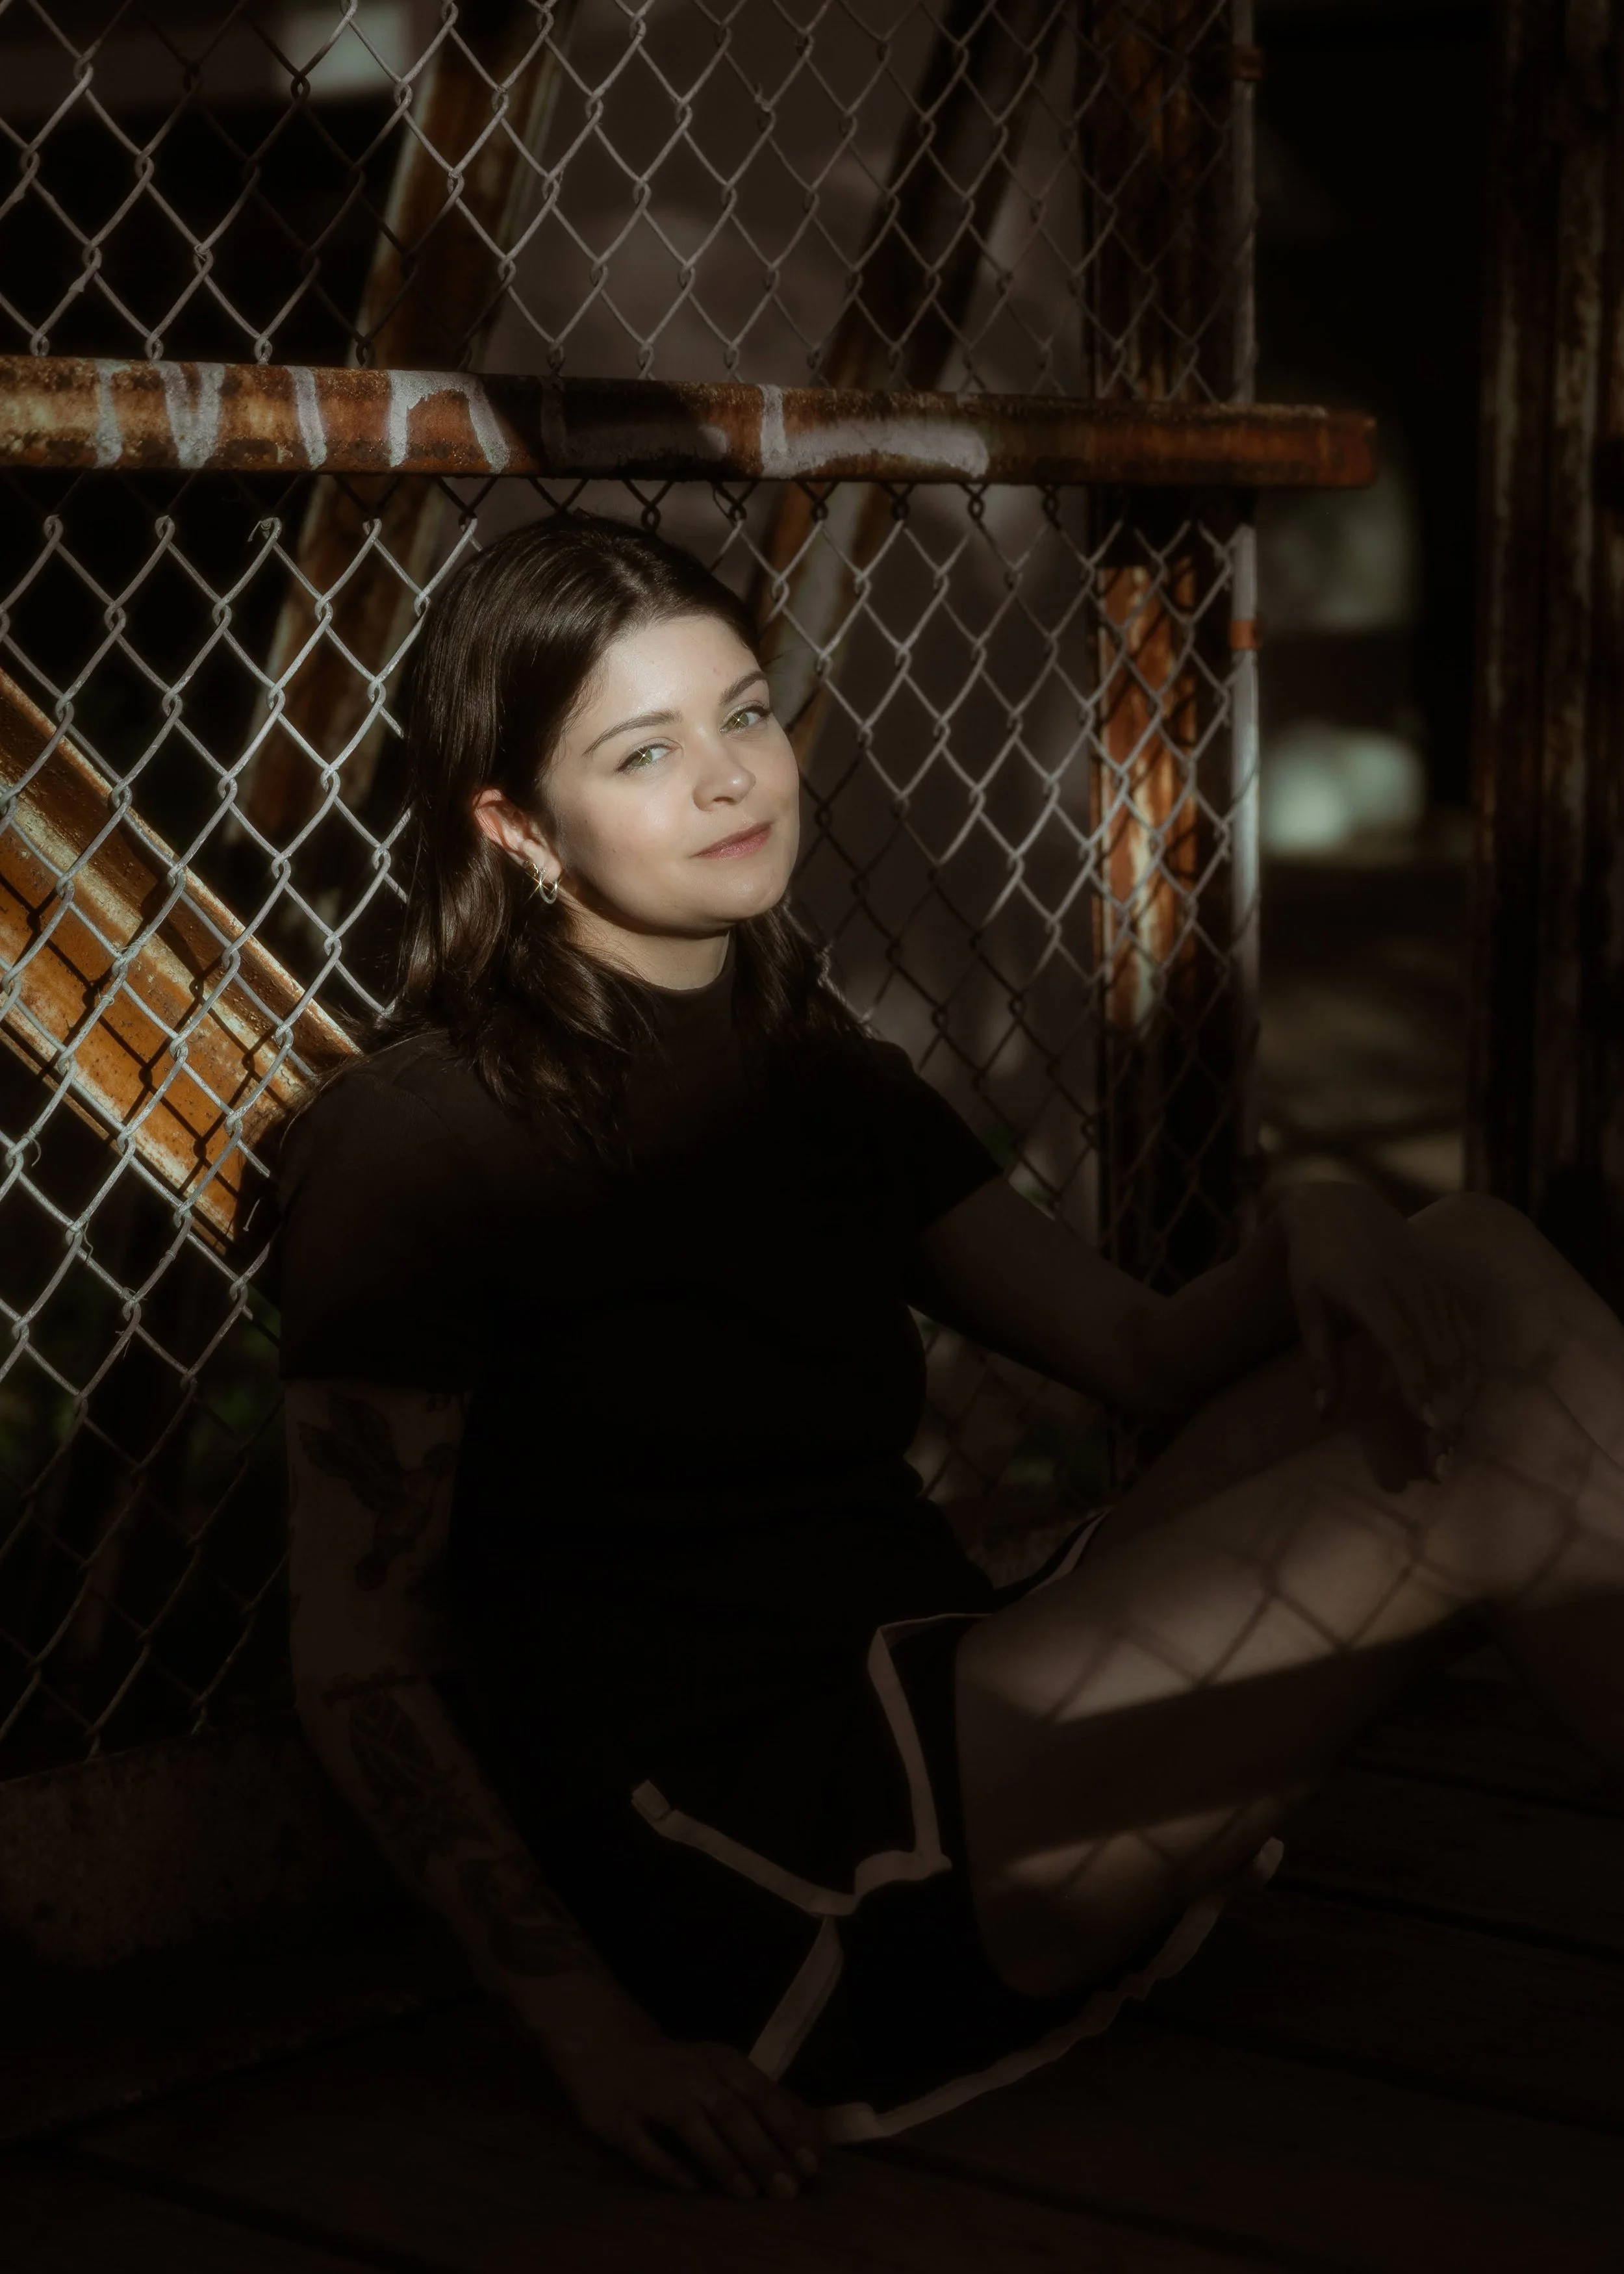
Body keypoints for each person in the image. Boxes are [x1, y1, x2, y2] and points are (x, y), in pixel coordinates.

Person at [267, 512, 1624, 2206]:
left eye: (745, 712)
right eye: (644, 748)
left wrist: (1328, 1209)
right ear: (515, 827)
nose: (729, 777)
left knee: (1469, 1253)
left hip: (955, 1703)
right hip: (792, 1874)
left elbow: (1137, 1351)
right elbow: (359, 1663)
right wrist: (597, 2039)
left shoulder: (820, 1079)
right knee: (1487, 1467)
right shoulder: (410, 1147)